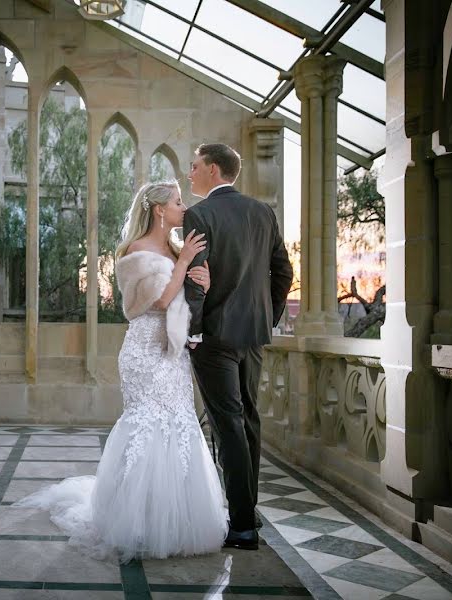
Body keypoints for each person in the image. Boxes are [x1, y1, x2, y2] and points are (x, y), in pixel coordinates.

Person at [14, 181, 228, 563]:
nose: (185, 208)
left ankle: (174, 521)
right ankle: (135, 520)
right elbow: (158, 300)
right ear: (160, 210)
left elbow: (189, 299)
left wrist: (204, 282)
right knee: (146, 423)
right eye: (178, 203)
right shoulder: (133, 252)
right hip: (145, 350)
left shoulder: (181, 250)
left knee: (178, 423)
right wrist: (183, 264)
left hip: (174, 351)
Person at [183, 143, 293, 551]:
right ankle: (249, 511)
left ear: (213, 170)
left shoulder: (200, 214)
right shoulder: (263, 212)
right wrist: (268, 315)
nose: (189, 172)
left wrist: (192, 331)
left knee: (227, 422)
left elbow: (197, 278)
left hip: (213, 337)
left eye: (194, 166)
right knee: (248, 419)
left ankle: (243, 525)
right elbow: (283, 271)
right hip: (254, 335)